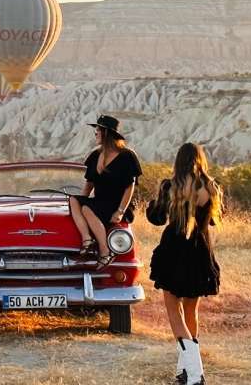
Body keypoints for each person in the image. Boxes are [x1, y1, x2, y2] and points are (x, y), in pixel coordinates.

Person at [147, 143, 223, 385]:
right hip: (201, 250)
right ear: (200, 159)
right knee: (191, 310)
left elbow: (157, 218)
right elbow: (212, 222)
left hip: (174, 250)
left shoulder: (170, 186)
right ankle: (185, 370)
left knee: (173, 310)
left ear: (178, 160)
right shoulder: (210, 187)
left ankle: (195, 373)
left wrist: (153, 203)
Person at [69, 115, 142, 269]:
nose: (95, 133)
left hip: (117, 204)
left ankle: (104, 251)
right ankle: (86, 238)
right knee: (74, 201)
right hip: (99, 202)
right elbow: (89, 185)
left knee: (87, 209)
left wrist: (120, 211)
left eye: (98, 130)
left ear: (107, 133)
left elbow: (130, 187)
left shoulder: (127, 156)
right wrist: (82, 201)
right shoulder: (95, 156)